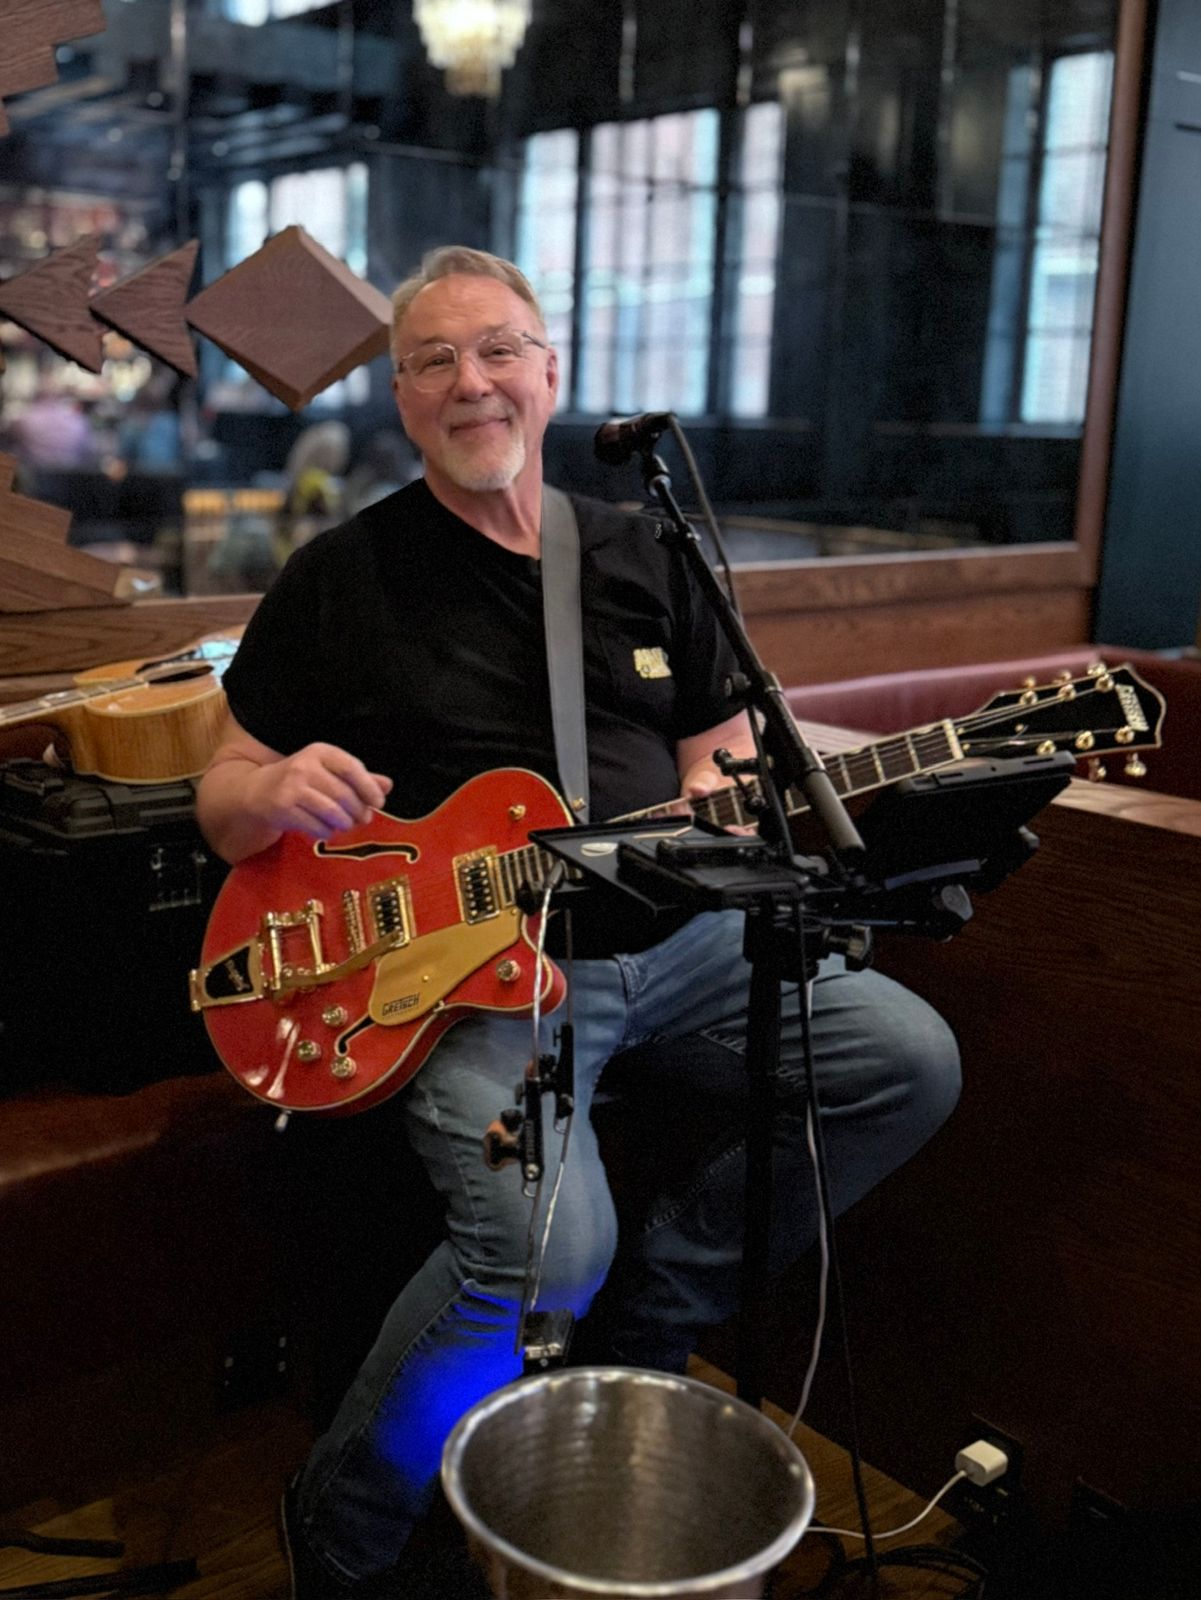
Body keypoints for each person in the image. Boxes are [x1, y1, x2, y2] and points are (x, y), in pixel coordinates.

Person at [196, 246, 961, 1598]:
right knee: (547, 1251)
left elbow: (718, 744)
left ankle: (659, 1316)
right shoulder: (342, 575)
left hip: (680, 941)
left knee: (904, 1062)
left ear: (549, 374)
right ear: (400, 396)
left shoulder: (643, 548)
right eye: (434, 360)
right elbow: (223, 792)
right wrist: (270, 789)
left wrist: (721, 792)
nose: (471, 382)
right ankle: (345, 1527)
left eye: (498, 350)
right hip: (476, 970)